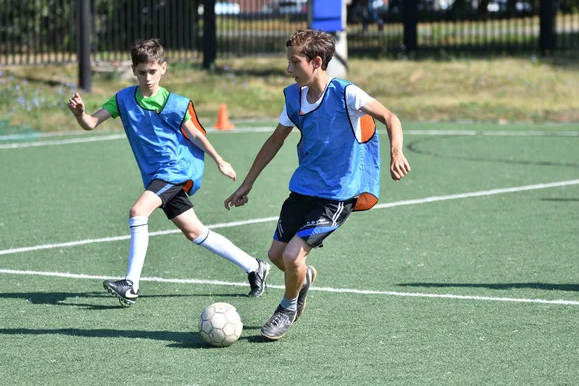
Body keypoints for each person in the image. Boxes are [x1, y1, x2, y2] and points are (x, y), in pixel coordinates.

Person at [224, 29, 410, 340]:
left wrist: (396, 151)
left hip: (337, 194)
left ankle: (287, 307)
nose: (288, 69)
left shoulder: (346, 94)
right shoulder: (294, 98)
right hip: (305, 188)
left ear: (316, 61)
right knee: (276, 254)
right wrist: (248, 183)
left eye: (294, 62)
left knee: (293, 255)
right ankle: (304, 279)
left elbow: (391, 118)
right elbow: (275, 141)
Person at [67, 38, 270, 307]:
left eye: (152, 71)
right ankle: (255, 267)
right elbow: (91, 123)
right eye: (142, 72)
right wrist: (80, 114)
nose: (147, 77)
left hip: (175, 170)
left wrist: (220, 160)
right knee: (195, 232)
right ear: (134, 70)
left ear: (163, 68)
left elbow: (196, 134)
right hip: (156, 175)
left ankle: (131, 284)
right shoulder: (123, 99)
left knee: (138, 211)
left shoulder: (175, 104)